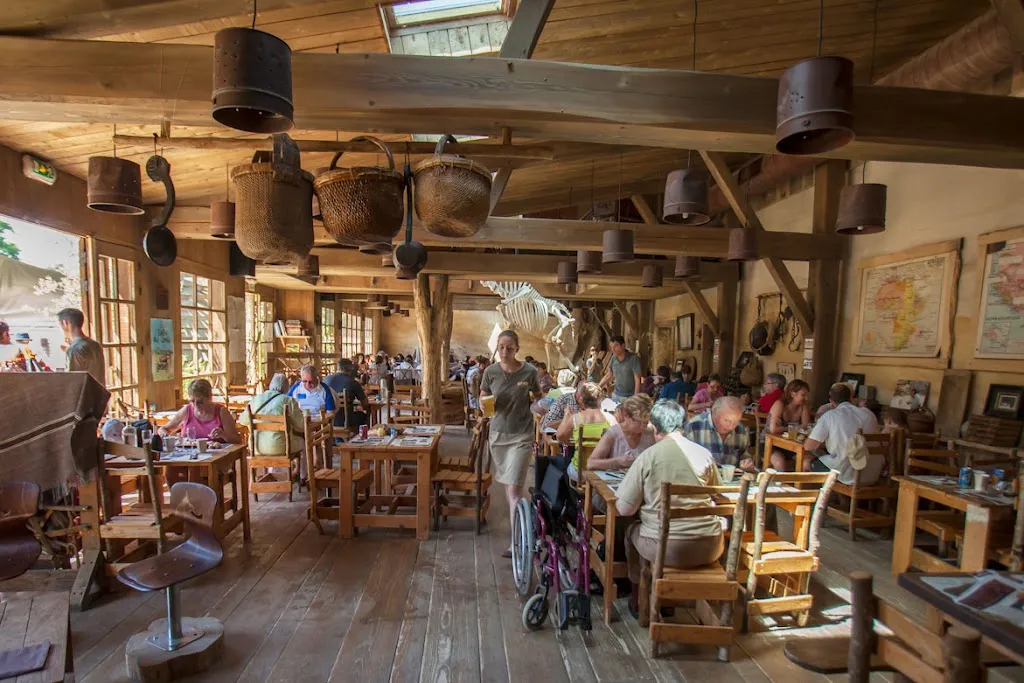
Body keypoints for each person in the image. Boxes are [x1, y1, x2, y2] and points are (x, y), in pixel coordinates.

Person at [616, 399, 723, 619]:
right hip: (711, 545)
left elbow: (625, 509)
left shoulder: (648, 457)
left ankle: (639, 599)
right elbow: (719, 495)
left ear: (654, 428)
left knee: (630, 531)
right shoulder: (703, 454)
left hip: (668, 549)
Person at [480, 330, 541, 559]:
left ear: (517, 348)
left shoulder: (529, 371)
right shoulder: (491, 372)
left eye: (509, 347)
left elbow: (538, 397)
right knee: (509, 487)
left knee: (515, 488)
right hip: (498, 436)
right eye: (501, 347)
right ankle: (525, 523)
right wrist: (484, 404)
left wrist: (539, 407)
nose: (504, 352)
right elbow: (483, 394)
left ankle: (517, 542)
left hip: (522, 435)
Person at [803, 383, 880, 485]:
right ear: (851, 398)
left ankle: (819, 498)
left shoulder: (830, 416)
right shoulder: (869, 414)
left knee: (807, 461)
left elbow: (809, 446)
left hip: (847, 474)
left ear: (831, 401)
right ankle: (841, 500)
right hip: (873, 472)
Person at [237, 372, 306, 473]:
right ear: (286, 388)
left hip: (256, 447)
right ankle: (303, 476)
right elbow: (301, 426)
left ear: (271, 385)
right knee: (302, 443)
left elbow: (243, 421)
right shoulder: (288, 400)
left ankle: (273, 475)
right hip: (281, 447)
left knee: (277, 443)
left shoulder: (255, 399)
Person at [683, 395, 754, 472]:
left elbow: (744, 456)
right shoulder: (693, 427)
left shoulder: (740, 430)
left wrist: (746, 463)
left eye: (736, 421)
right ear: (714, 413)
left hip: (731, 481)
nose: (731, 426)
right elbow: (683, 462)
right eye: (726, 420)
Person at [159, 378, 242, 444]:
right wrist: (165, 434)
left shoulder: (221, 412)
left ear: (209, 398)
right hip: (189, 457)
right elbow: (163, 429)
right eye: (192, 401)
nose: (195, 405)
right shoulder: (187, 410)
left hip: (216, 458)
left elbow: (237, 441)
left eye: (199, 402)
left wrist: (223, 435)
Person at [588, 394, 655, 471]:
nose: (643, 427)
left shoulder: (650, 432)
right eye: (639, 422)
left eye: (646, 422)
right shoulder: (613, 434)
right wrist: (617, 462)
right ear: (627, 416)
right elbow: (591, 464)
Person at [557, 382, 612, 476]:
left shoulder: (576, 418)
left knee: (565, 461)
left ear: (581, 399)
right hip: (602, 470)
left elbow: (560, 437)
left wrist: (566, 416)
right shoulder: (609, 419)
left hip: (580, 470)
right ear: (599, 399)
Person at [767, 379, 813, 470]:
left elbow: (805, 427)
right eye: (803, 395)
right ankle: (780, 483)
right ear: (792, 394)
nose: (806, 398)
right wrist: (794, 428)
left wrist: (783, 428)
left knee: (807, 461)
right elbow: (773, 430)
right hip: (771, 444)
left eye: (806, 395)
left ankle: (797, 484)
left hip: (792, 445)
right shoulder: (780, 404)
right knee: (779, 462)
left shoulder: (803, 407)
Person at [57, 308, 105, 387]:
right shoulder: (95, 344)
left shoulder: (75, 349)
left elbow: (72, 379)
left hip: (84, 396)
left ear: (65, 323)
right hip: (98, 394)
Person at [324, 359, 370, 430]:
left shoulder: (325, 380)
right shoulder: (353, 382)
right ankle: (360, 438)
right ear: (350, 369)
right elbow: (365, 404)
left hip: (326, 419)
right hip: (346, 420)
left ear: (338, 368)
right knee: (363, 416)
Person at [600, 335, 642, 402]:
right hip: (616, 395)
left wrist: (635, 399)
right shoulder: (613, 358)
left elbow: (637, 380)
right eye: (611, 347)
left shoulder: (633, 359)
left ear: (623, 345)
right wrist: (598, 387)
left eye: (616, 346)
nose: (613, 349)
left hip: (629, 397)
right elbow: (609, 375)